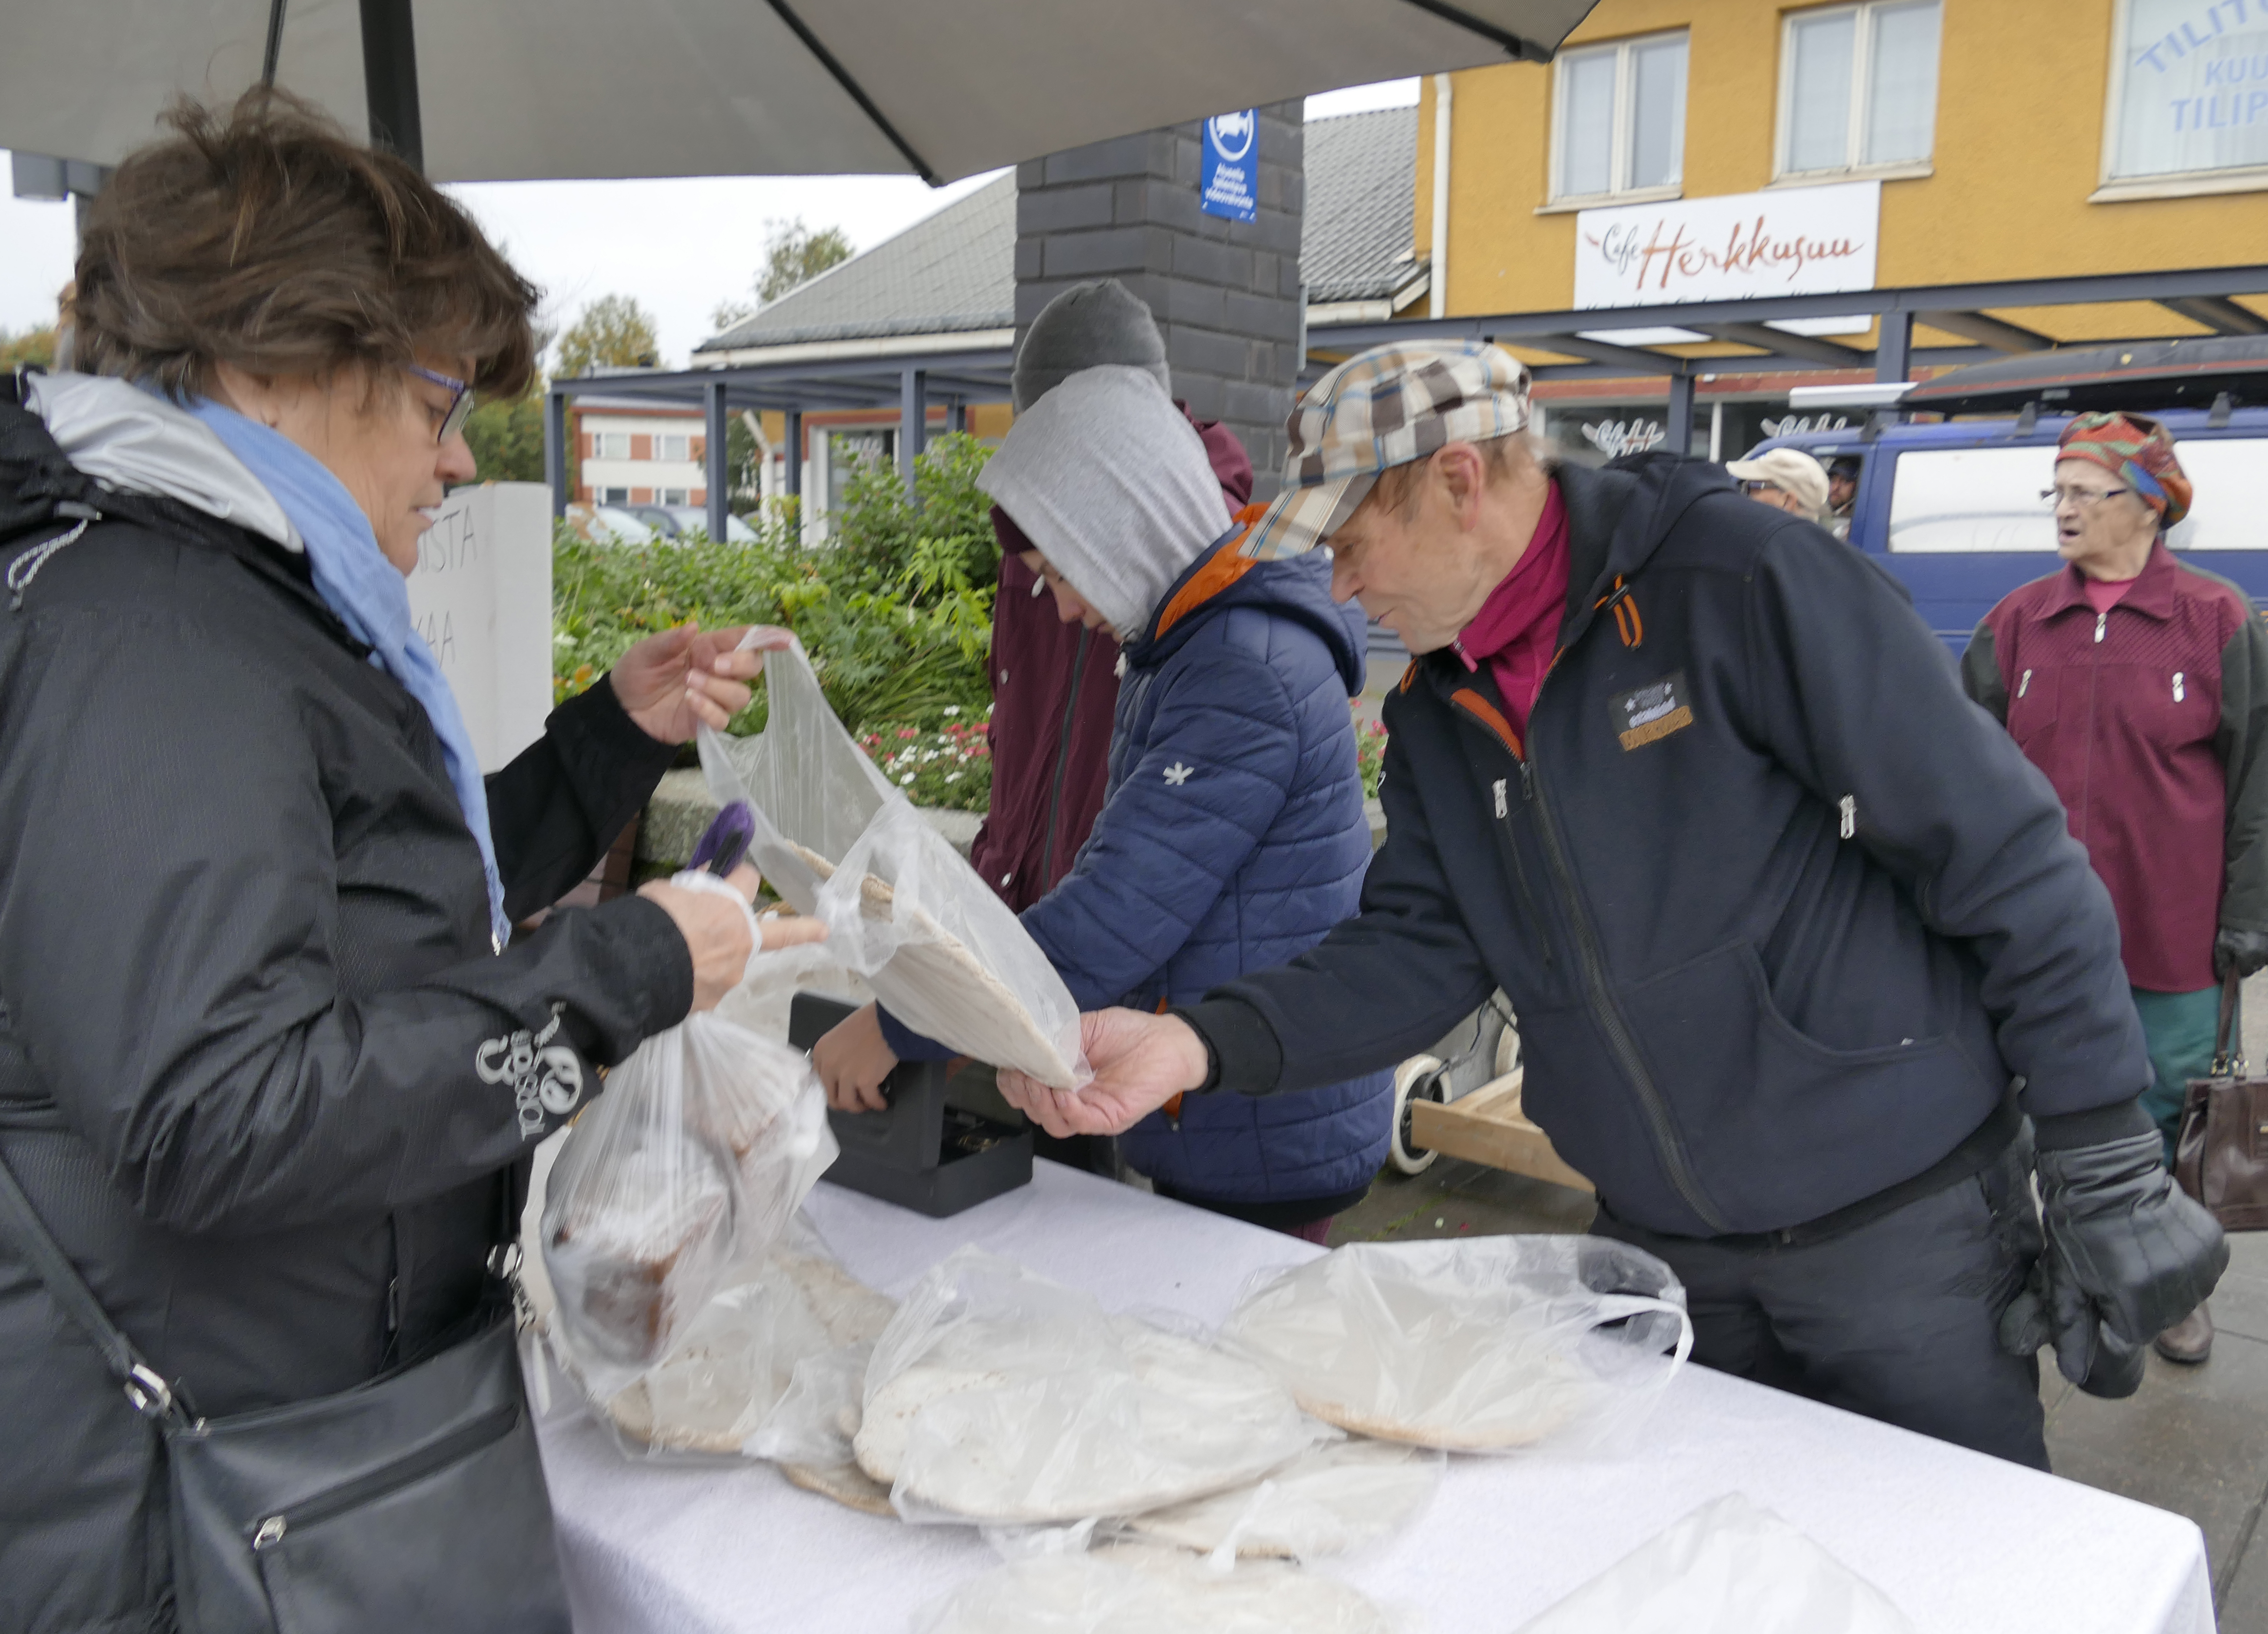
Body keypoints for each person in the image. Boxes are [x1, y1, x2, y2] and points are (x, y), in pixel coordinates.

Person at [992, 341, 2228, 1470]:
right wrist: (1199, 1043)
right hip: (1668, 1256)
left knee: (1953, 1575)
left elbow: (2001, 853)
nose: (1345, 588)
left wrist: (2100, 1152)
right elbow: (1419, 950)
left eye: (1353, 546)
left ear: (1458, 482)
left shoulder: (1737, 580)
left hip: (1900, 1239)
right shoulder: (1438, 713)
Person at [0, 92, 822, 1634]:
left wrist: (606, 739)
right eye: (438, 401)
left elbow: (361, 918)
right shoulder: (156, 636)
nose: (455, 460)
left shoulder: (223, 594)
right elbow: (218, 1111)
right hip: (210, 1504)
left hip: (292, 1439)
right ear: (270, 361)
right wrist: (628, 970)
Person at [813, 366, 1389, 1242]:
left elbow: (1116, 915)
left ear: (1119, 530)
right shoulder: (1191, 643)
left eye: (1058, 571)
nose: (1064, 608)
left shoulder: (1239, 672)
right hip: (1227, 1099)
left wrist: (901, 1024)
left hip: (1259, 1128)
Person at [1963, 412, 2268, 1367]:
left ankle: (2164, 1289)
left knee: (2163, 1118)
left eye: (2080, 491)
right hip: (2029, 935)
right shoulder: (2014, 625)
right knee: (2009, 1110)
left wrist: (2249, 912)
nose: (2061, 509)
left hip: (2169, 933)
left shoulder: (2218, 621)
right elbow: (1953, 776)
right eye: (2053, 490)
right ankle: (2044, 1271)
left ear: (2146, 506)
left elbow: (2259, 779)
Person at [971, 280, 1252, 917]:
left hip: (1115, 925)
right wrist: (996, 858)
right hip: (1017, 902)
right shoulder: (1031, 535)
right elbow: (1014, 714)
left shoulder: (1208, 551)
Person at [1726, 445, 1829, 520]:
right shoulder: (1815, 546)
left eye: (1750, 487)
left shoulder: (1777, 548)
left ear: (1788, 501)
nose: (1744, 496)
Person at [1827, 456, 1862, 540]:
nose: (1835, 487)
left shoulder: (1860, 523)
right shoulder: (1820, 515)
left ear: (1857, 486)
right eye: (1833, 480)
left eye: (1845, 481)